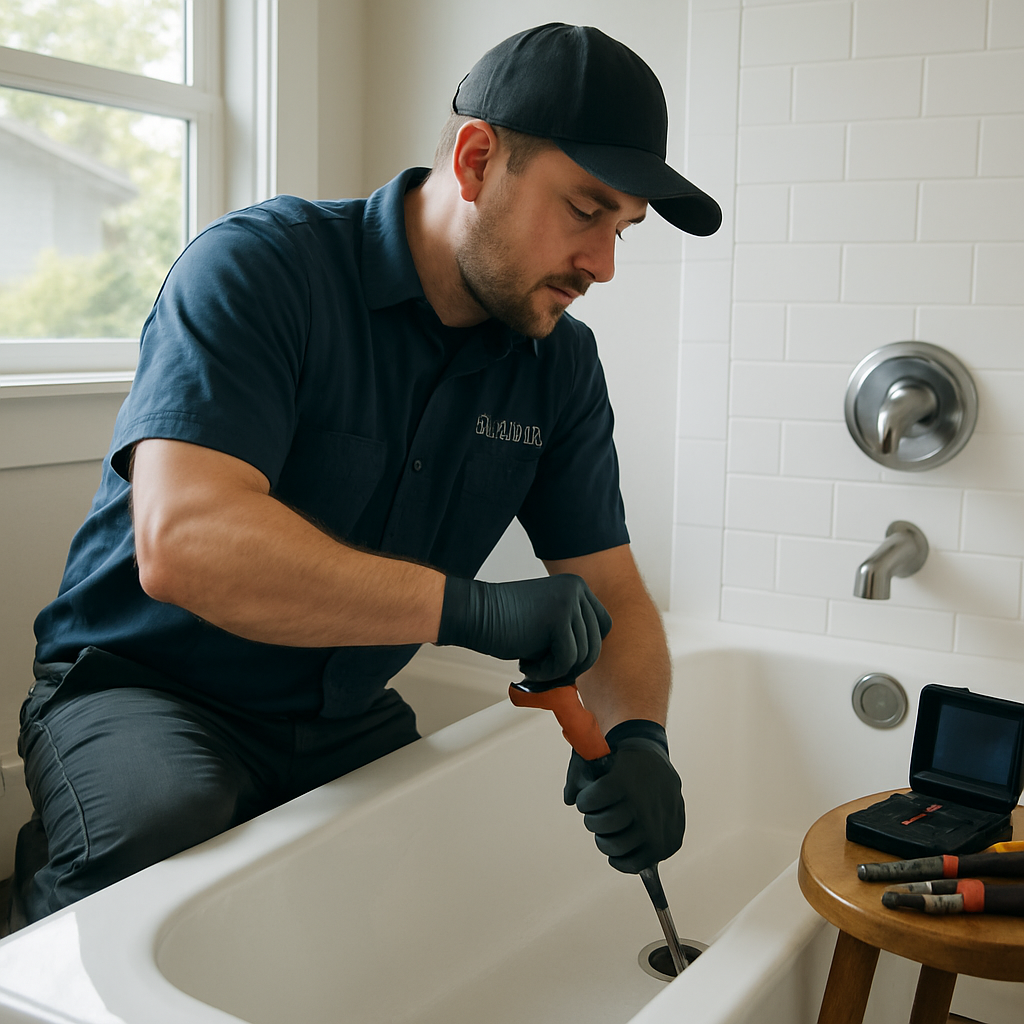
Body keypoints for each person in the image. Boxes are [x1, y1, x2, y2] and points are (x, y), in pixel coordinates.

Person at [11, 23, 721, 928]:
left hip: (341, 715)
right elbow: (185, 544)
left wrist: (641, 740)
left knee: (421, 902)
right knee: (162, 826)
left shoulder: (559, 367)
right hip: (147, 688)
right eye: (587, 211)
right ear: (474, 160)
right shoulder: (263, 270)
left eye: (624, 229)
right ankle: (33, 921)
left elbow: (610, 591)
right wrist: (472, 607)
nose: (605, 265)